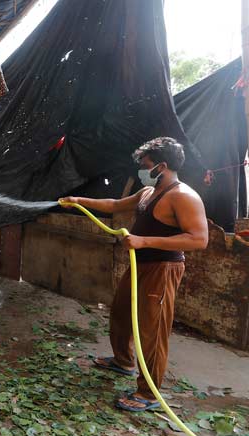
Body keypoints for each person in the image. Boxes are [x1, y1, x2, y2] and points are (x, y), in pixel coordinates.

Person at [60, 137, 208, 412]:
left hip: (162, 268)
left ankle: (149, 394)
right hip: (139, 264)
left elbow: (199, 239)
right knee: (120, 312)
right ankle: (123, 361)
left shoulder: (183, 196)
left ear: (162, 166)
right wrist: (78, 200)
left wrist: (144, 241)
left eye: (146, 164)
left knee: (152, 330)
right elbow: (116, 205)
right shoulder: (148, 192)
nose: (142, 168)